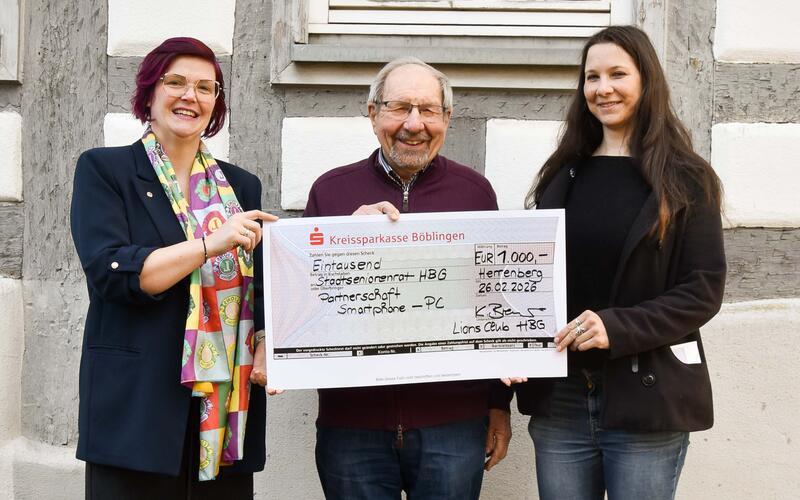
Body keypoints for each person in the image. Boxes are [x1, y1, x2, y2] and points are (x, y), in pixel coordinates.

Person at [514, 25, 727, 500]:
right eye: (592, 77)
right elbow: (531, 277)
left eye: (617, 74)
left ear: (646, 81)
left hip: (646, 395)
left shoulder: (687, 179)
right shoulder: (562, 173)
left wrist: (619, 327)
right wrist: (509, 341)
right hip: (562, 398)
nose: (602, 88)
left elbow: (703, 290)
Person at [70, 37, 276, 498]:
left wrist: (265, 343)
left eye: (206, 88)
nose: (191, 96)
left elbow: (259, 291)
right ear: (150, 92)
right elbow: (114, 275)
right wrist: (209, 243)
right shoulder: (107, 171)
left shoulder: (241, 185)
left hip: (225, 406)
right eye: (176, 82)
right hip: (137, 404)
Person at [302, 57, 514, 499]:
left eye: (428, 110)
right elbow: (305, 303)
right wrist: (342, 241)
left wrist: (498, 407)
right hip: (352, 426)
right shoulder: (331, 192)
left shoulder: (475, 192)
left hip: (453, 423)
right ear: (372, 112)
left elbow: (493, 303)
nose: (414, 124)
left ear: (447, 118)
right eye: (399, 107)